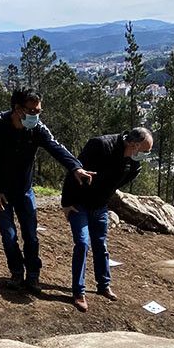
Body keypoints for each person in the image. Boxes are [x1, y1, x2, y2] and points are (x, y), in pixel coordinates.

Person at [0, 89, 93, 293]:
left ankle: (33, 276)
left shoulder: (37, 129)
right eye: (31, 110)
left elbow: (55, 147)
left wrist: (75, 167)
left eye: (38, 111)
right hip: (1, 192)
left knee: (31, 236)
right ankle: (16, 273)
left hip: (24, 191)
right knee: (8, 235)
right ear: (17, 109)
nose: (36, 115)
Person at [60, 127, 153, 313]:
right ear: (133, 145)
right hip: (79, 204)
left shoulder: (133, 163)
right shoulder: (100, 145)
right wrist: (66, 202)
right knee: (82, 243)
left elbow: (121, 180)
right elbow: (74, 170)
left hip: (101, 207)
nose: (146, 155)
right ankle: (79, 292)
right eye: (145, 151)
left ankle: (104, 285)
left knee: (101, 245)